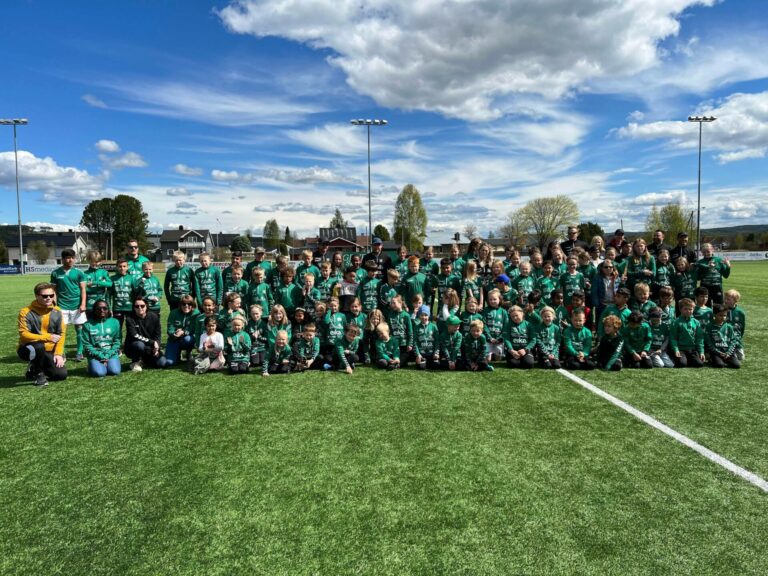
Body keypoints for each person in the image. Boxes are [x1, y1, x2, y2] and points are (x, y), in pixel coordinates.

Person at [17, 282, 68, 387]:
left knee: (60, 375)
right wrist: (47, 337)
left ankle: (34, 367)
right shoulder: (25, 312)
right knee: (38, 346)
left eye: (51, 295)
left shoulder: (57, 311)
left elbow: (61, 334)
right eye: (45, 296)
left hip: (49, 349)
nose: (48, 298)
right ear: (37, 296)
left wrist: (58, 353)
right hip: (28, 348)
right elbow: (24, 334)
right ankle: (38, 373)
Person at [50, 248, 87, 361]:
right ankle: (61, 352)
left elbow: (83, 289)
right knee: (61, 330)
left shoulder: (79, 273)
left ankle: (80, 352)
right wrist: (54, 305)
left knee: (79, 329)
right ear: (63, 259)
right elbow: (54, 291)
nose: (70, 260)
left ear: (74, 259)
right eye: (67, 258)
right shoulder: (55, 273)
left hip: (77, 306)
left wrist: (83, 304)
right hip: (62, 306)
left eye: (72, 258)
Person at [124, 296, 167, 371]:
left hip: (150, 347)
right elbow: (134, 336)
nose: (140, 308)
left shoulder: (154, 317)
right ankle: (135, 362)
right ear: (134, 308)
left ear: (146, 306)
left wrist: (157, 347)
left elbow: (158, 335)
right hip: (134, 347)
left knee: (162, 363)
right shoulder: (129, 319)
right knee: (139, 345)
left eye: (142, 306)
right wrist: (153, 342)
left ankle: (144, 360)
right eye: (137, 306)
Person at [81, 299, 122, 378]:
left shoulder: (115, 322)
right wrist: (100, 355)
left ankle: (108, 364)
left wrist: (108, 355)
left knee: (115, 371)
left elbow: (117, 341)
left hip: (110, 353)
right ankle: (91, 366)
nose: (102, 310)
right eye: (99, 309)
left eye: (104, 308)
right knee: (100, 373)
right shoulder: (87, 325)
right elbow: (86, 344)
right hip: (95, 355)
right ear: (94, 310)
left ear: (108, 310)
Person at [669, 298, 705, 368]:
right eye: (685, 309)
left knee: (699, 364)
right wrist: (676, 350)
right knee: (682, 364)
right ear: (680, 309)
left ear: (693, 309)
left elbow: (699, 338)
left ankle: (688, 359)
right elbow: (673, 338)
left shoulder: (696, 322)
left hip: (692, 349)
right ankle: (677, 357)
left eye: (690, 309)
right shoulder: (676, 322)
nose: (688, 311)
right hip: (681, 349)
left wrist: (701, 352)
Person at [165, 295, 199, 366]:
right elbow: (170, 327)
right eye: (184, 304)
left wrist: (183, 332)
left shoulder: (196, 313)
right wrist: (174, 333)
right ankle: (177, 353)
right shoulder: (173, 312)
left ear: (193, 305)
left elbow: (193, 328)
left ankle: (188, 352)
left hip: (187, 338)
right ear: (180, 305)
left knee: (188, 339)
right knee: (169, 362)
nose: (186, 306)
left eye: (189, 304)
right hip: (174, 339)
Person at [706, 303, 741, 369]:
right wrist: (718, 352)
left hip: (727, 352)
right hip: (716, 352)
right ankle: (712, 359)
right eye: (720, 315)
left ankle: (726, 359)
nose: (723, 317)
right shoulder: (709, 326)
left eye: (725, 315)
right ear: (714, 315)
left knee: (736, 365)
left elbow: (733, 340)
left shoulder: (729, 327)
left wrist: (728, 353)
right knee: (719, 365)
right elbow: (709, 342)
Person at [503, 305, 535, 369]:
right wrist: (512, 351)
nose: (515, 318)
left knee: (529, 364)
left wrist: (525, 350)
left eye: (516, 315)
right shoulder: (508, 325)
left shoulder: (529, 325)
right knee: (513, 364)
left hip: (525, 350)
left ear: (522, 314)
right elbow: (506, 339)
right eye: (512, 316)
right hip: (513, 350)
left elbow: (533, 339)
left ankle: (525, 358)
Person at [110, 258, 135, 333]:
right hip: (117, 308)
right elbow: (109, 294)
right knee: (117, 328)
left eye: (124, 266)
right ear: (117, 267)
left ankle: (129, 344)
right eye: (120, 266)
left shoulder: (131, 278)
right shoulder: (112, 279)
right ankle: (118, 344)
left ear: (127, 267)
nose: (122, 268)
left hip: (130, 308)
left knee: (131, 328)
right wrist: (109, 307)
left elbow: (135, 293)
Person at [413, 305, 439, 370]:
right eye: (421, 315)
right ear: (419, 315)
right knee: (420, 367)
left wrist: (436, 353)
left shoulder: (434, 326)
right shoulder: (417, 327)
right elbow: (415, 342)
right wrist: (418, 354)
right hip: (422, 354)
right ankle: (423, 360)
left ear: (429, 316)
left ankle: (431, 361)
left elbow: (437, 341)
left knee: (436, 366)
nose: (423, 317)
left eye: (426, 315)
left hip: (431, 353)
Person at [724, 289, 746, 360]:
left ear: (735, 301)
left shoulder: (740, 312)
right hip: (725, 339)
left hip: (736, 339)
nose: (726, 301)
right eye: (725, 299)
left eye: (728, 299)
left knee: (741, 357)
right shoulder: (722, 309)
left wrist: (739, 337)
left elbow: (742, 327)